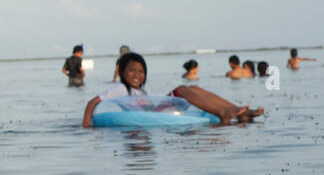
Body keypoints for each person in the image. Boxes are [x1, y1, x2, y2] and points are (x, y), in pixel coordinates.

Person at [82, 52, 264, 127]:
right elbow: (93, 102)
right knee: (182, 88)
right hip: (155, 113)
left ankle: (239, 112)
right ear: (121, 72)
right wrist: (87, 126)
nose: (137, 75)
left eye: (141, 71)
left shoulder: (140, 91)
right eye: (131, 70)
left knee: (192, 87)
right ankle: (224, 112)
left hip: (158, 111)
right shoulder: (120, 88)